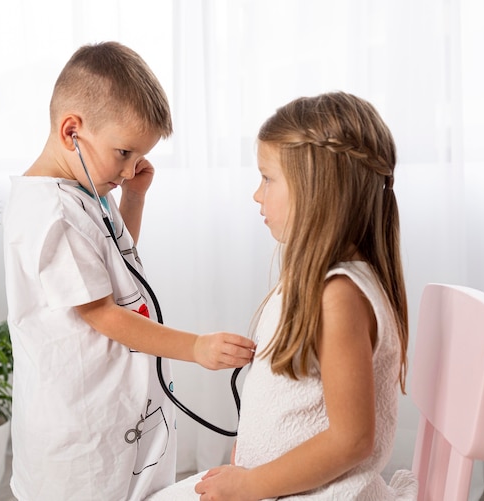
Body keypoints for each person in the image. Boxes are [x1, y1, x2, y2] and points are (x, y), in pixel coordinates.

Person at [3, 41, 255, 501]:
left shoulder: (84, 192)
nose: (129, 168)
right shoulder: (52, 213)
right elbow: (105, 315)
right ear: (72, 131)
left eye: (137, 155)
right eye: (123, 152)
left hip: (116, 424)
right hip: (81, 442)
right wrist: (195, 347)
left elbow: (114, 264)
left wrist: (132, 199)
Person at [146, 92, 418, 500]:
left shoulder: (338, 296)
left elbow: (353, 440)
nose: (257, 194)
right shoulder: (317, 283)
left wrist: (254, 483)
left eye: (268, 178)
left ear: (319, 190)